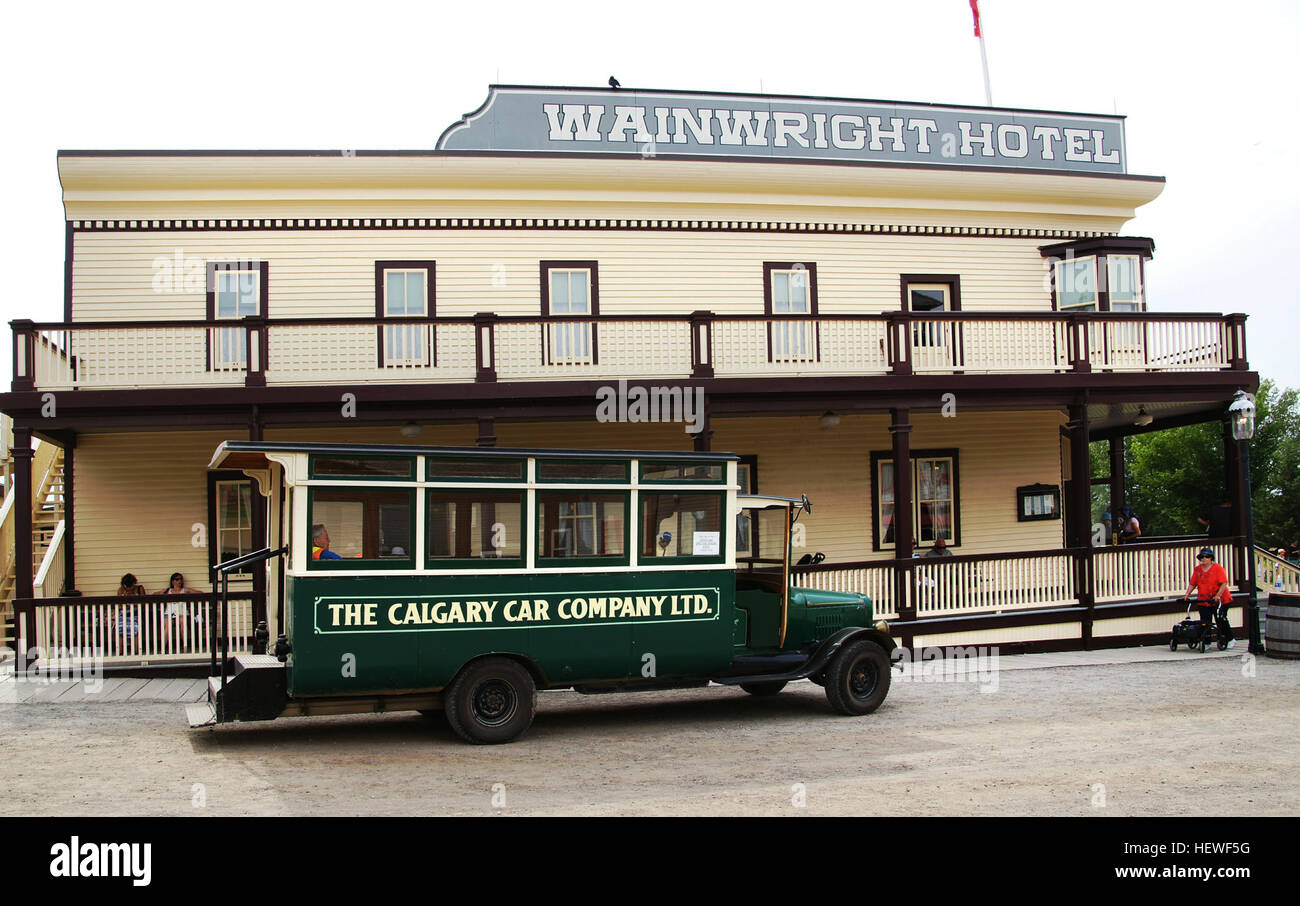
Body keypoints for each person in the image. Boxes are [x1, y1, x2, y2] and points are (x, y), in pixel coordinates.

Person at [1182, 547, 1234, 649]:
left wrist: (1217, 596)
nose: (1204, 559)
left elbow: (1223, 583)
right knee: (1205, 621)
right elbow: (1193, 583)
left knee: (1221, 619)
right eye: (1202, 557)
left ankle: (1230, 638)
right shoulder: (1197, 570)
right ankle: (1206, 642)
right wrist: (1187, 594)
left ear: (1211, 558)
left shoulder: (1218, 568)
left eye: (1207, 556)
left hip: (1220, 599)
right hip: (1204, 599)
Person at [116, 573, 146, 655]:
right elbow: (120, 606)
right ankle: (120, 651)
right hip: (124, 615)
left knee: (136, 629)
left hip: (136, 614)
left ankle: (136, 650)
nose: (129, 588)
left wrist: (133, 600)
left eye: (131, 585)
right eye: (126, 586)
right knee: (120, 628)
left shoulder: (139, 589)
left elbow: (143, 603)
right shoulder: (121, 590)